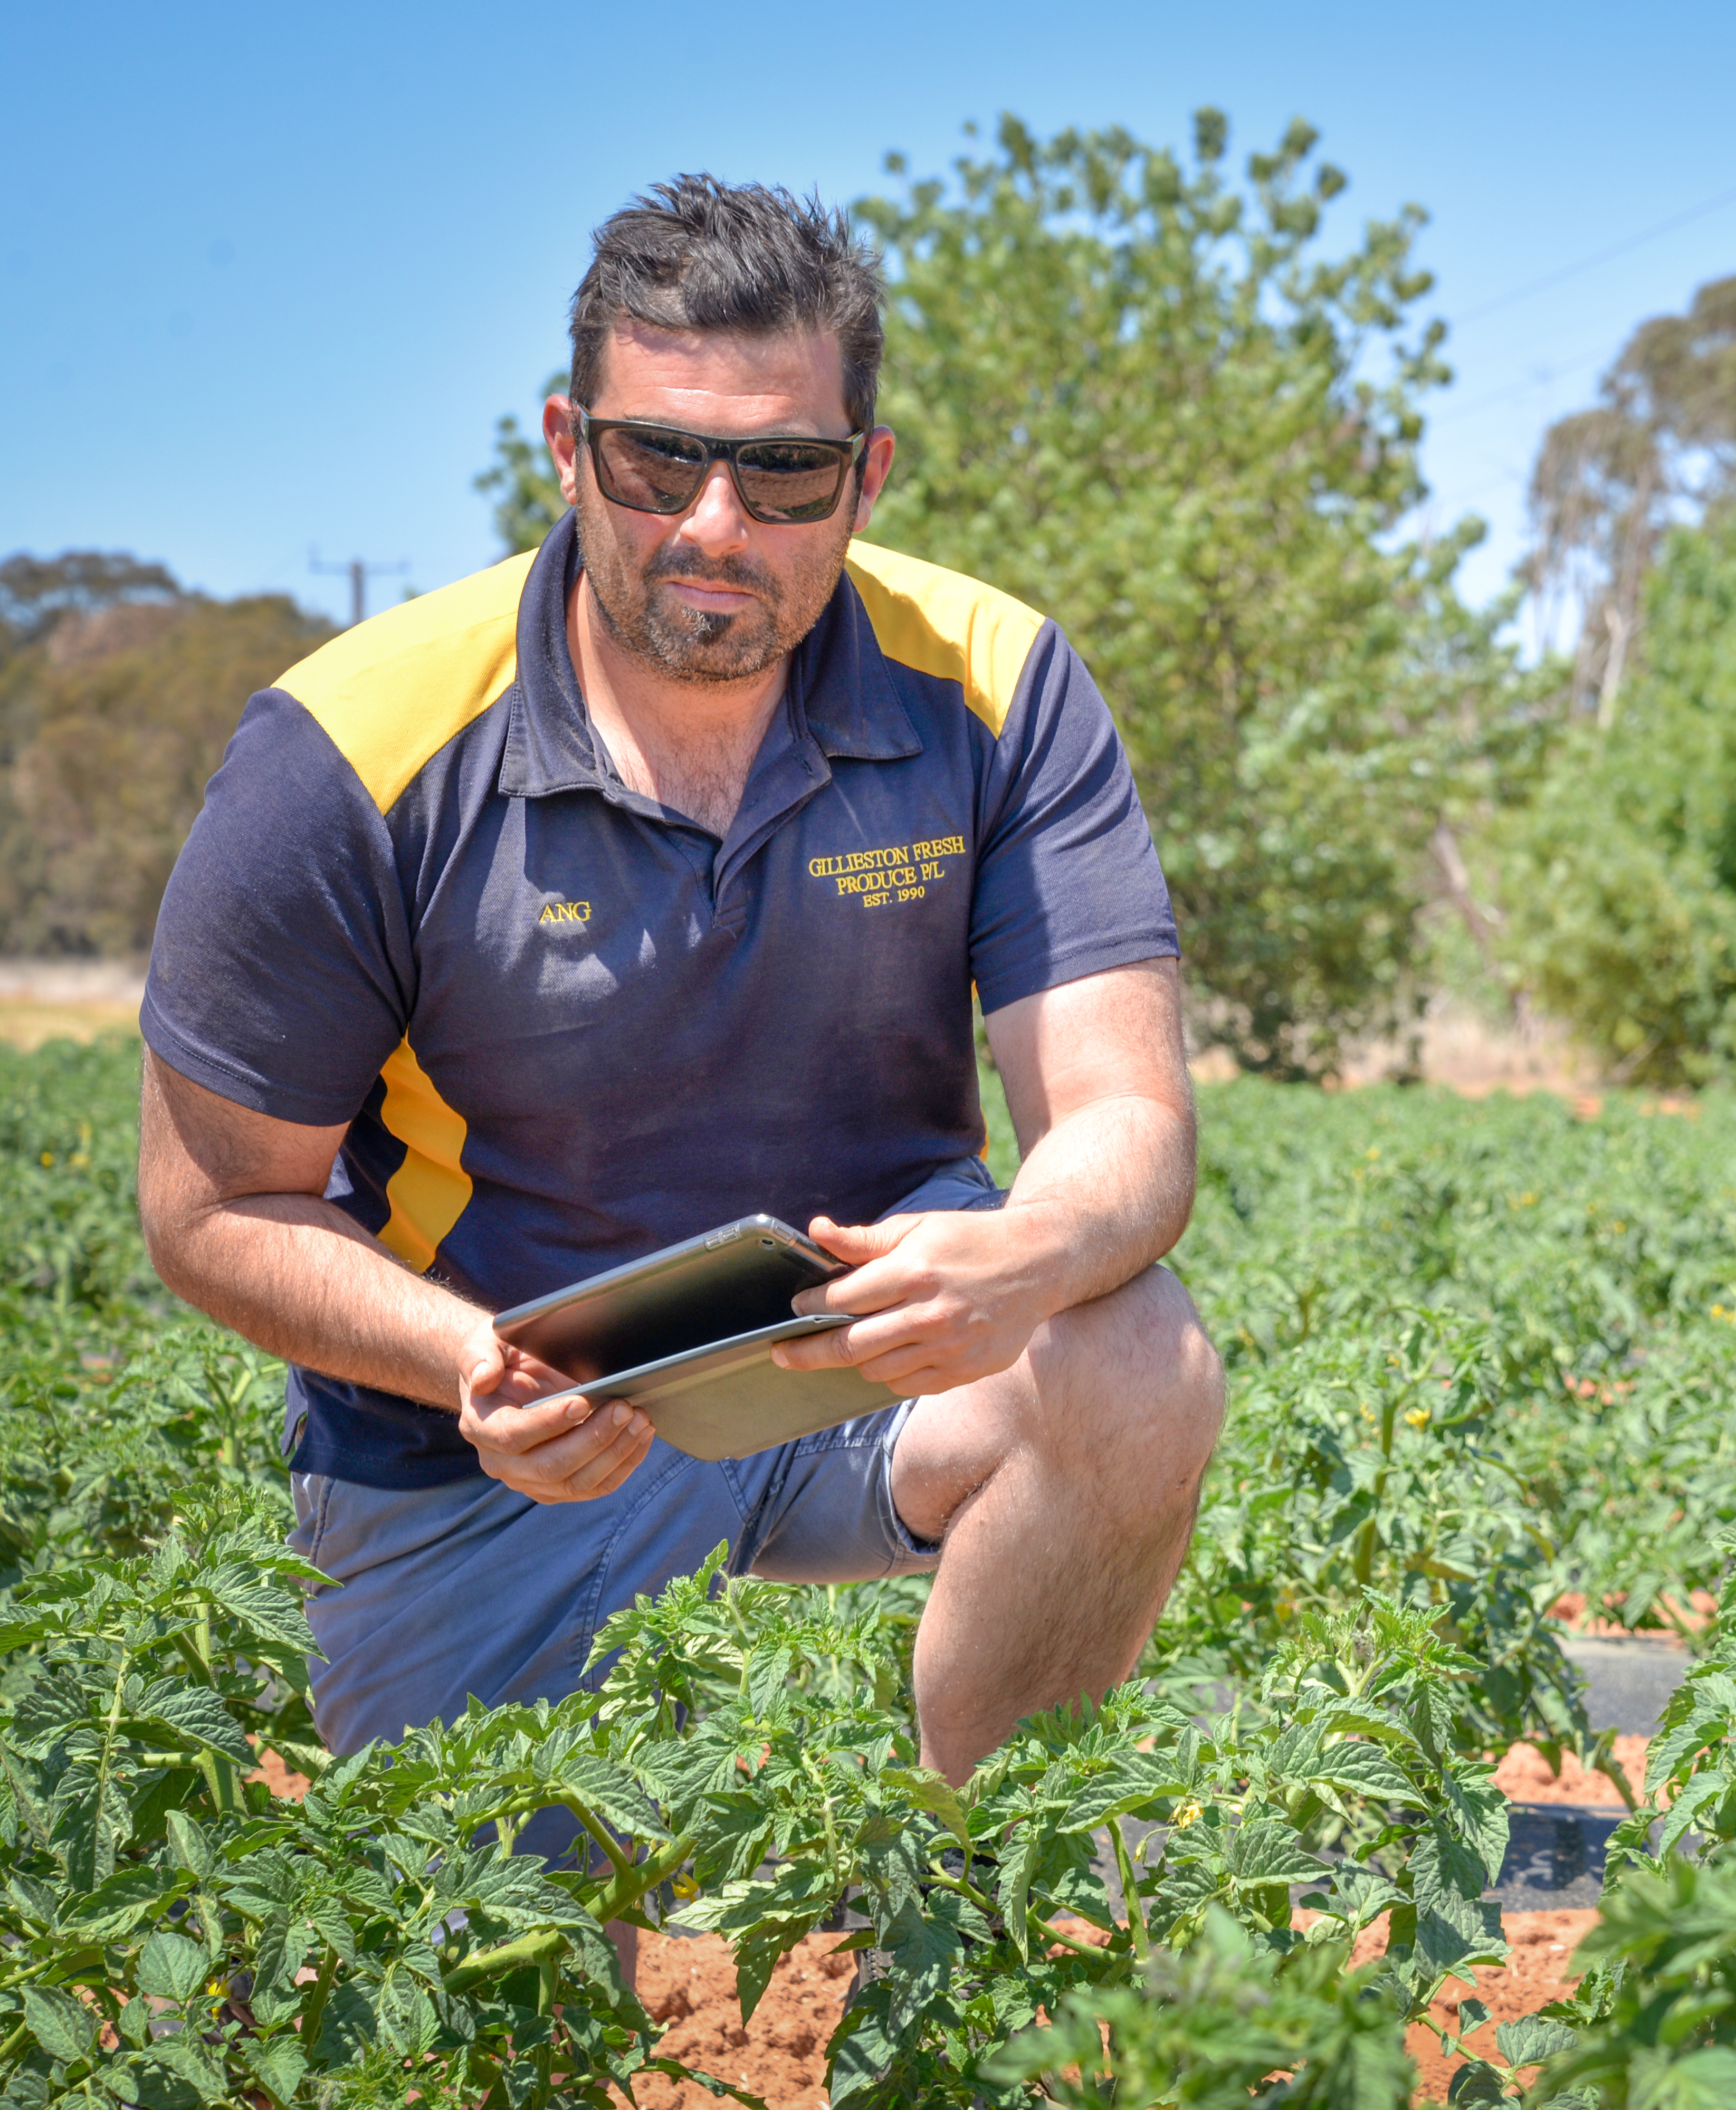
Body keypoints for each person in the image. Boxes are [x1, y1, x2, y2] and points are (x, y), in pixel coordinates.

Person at [133, 177, 1226, 1859]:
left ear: (863, 478)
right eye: (660, 461)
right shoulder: (354, 752)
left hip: (858, 1367)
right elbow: (210, 1209)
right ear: (569, 448)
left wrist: (1027, 1255)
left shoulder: (996, 686)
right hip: (500, 1448)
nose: (717, 523)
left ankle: (969, 1940)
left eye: (784, 470)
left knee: (1139, 1357)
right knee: (490, 2008)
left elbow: (1129, 1127)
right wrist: (472, 1368)